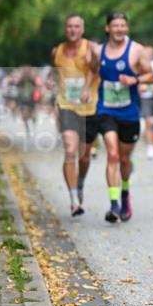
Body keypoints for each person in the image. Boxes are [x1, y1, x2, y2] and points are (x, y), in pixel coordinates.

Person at [96, 12, 153, 223]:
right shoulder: (98, 51)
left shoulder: (137, 50)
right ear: (107, 28)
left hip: (129, 112)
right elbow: (91, 74)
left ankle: (125, 193)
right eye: (115, 25)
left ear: (127, 28)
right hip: (106, 109)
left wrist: (134, 79)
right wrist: (86, 89)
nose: (119, 29)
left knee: (124, 159)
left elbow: (151, 75)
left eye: (123, 25)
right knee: (112, 153)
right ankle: (113, 205)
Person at [50, 14, 99, 216]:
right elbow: (56, 74)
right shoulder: (57, 51)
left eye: (77, 26)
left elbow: (98, 70)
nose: (73, 30)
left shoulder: (92, 49)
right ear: (65, 28)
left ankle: (80, 182)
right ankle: (73, 200)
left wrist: (88, 81)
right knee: (70, 150)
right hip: (67, 105)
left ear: (83, 29)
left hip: (89, 107)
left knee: (84, 157)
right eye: (69, 26)